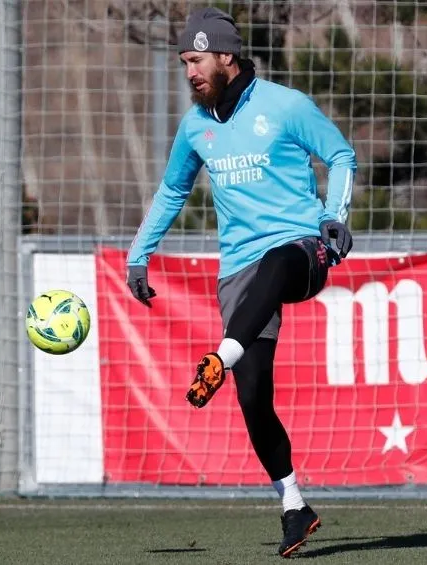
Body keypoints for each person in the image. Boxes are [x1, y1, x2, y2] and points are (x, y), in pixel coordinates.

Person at [125, 6, 358, 559]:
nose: (190, 72)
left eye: (198, 60)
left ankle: (219, 357)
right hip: (239, 270)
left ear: (226, 56)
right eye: (184, 62)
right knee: (254, 395)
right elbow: (172, 191)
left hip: (302, 249)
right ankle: (294, 506)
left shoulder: (285, 105)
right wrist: (140, 256)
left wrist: (335, 215)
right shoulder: (195, 125)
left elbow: (341, 154)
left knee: (278, 259)